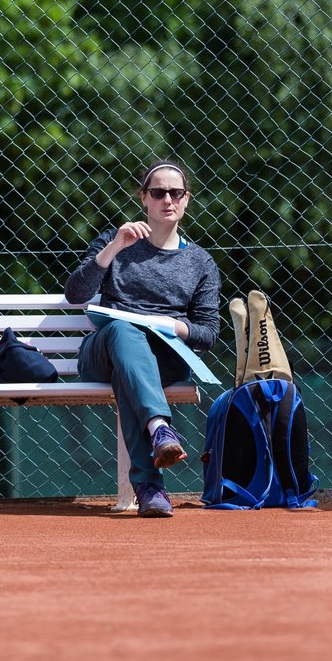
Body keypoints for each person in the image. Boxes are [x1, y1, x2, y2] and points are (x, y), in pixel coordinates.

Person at [64, 160, 222, 517]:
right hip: (105, 349)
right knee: (122, 330)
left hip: (162, 358)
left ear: (186, 200)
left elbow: (207, 333)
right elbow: (76, 293)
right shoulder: (115, 239)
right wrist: (114, 248)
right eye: (158, 192)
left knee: (129, 375)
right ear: (144, 199)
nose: (167, 199)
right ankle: (160, 428)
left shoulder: (201, 262)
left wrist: (171, 325)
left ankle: (151, 486)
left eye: (176, 193)